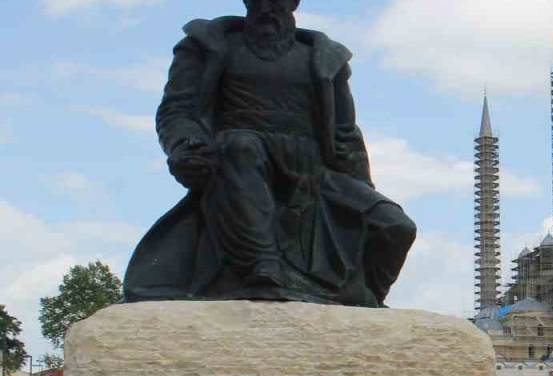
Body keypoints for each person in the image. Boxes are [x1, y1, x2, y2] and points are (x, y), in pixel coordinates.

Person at [124, 0, 416, 307]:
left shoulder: (325, 59)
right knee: (240, 146)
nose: (266, 9)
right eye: (258, 0)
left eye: (276, 1)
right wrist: (185, 147)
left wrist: (362, 189)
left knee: (396, 227)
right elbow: (177, 111)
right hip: (238, 165)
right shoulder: (208, 45)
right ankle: (262, 264)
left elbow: (345, 134)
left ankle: (363, 301)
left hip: (312, 173)